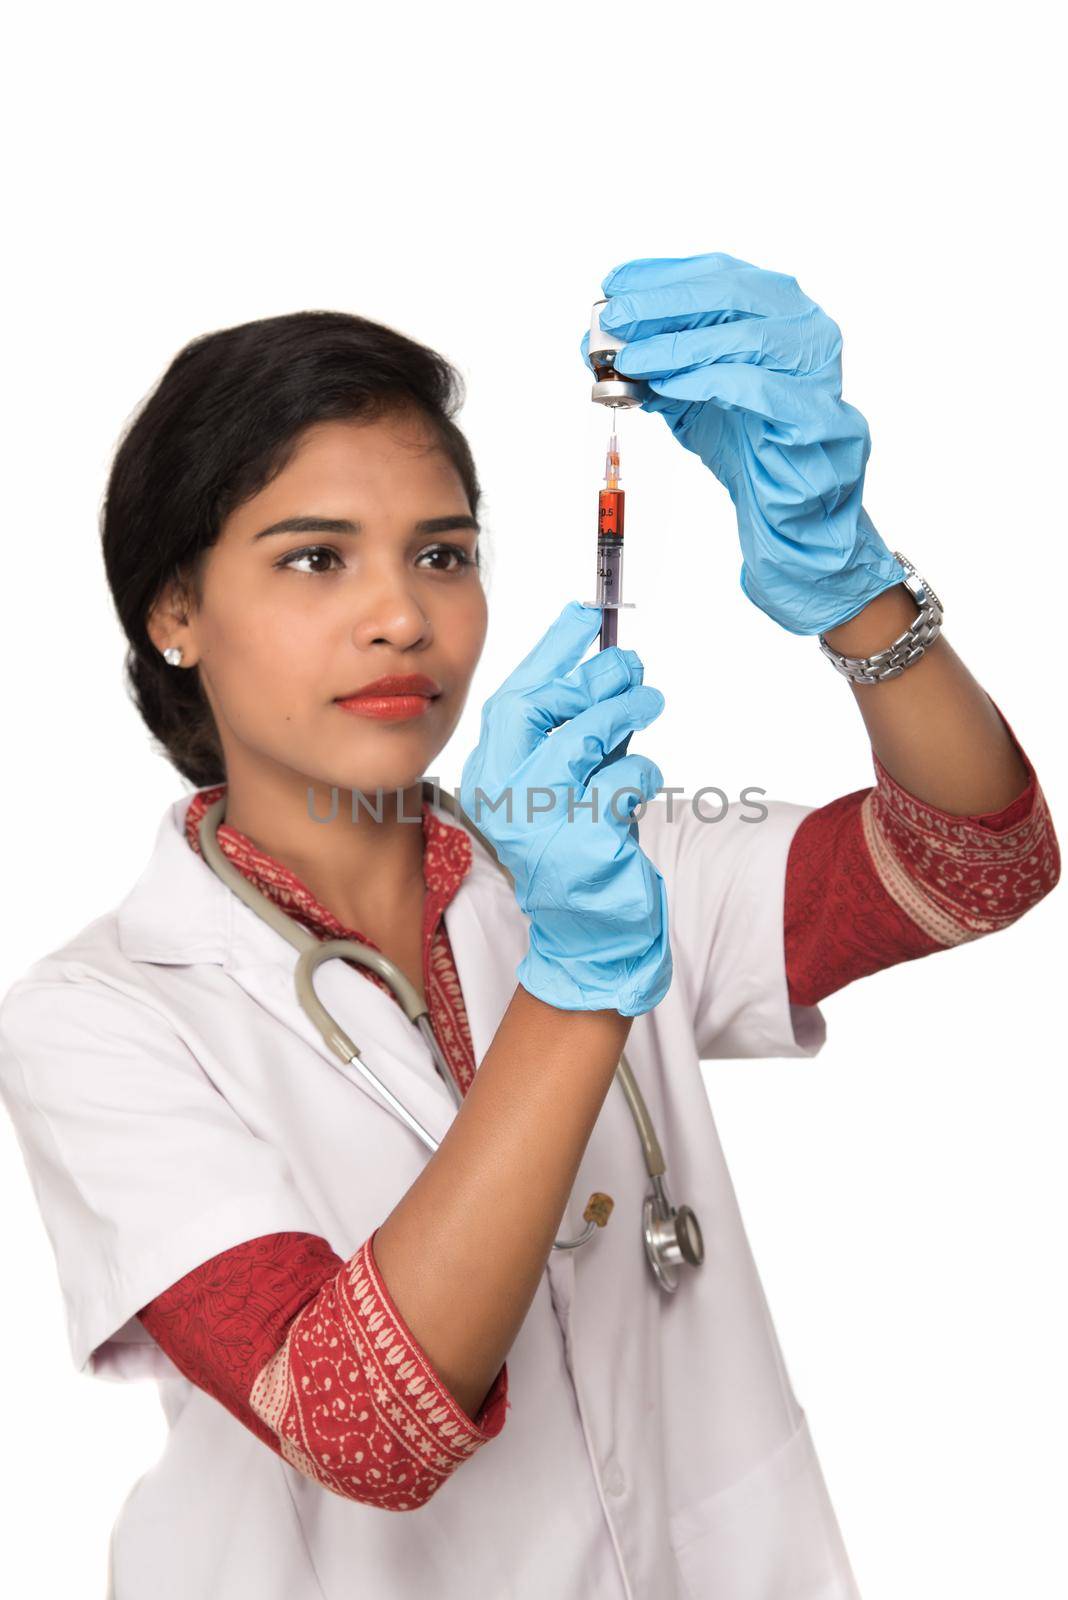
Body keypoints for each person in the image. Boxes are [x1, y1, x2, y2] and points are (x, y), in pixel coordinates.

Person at [0, 252, 1057, 1600]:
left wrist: (855, 590)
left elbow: (978, 861)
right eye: (315, 558)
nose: (402, 616)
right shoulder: (100, 1017)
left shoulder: (601, 857)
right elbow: (360, 1425)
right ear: (175, 614)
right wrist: (579, 980)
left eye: (441, 554)